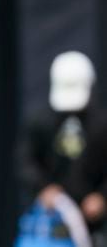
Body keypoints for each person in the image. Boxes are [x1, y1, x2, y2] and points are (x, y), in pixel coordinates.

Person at [16, 51, 107, 247]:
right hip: (51, 221)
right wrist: (44, 188)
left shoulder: (101, 124)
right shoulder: (40, 122)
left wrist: (101, 196)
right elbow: (25, 161)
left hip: (94, 224)